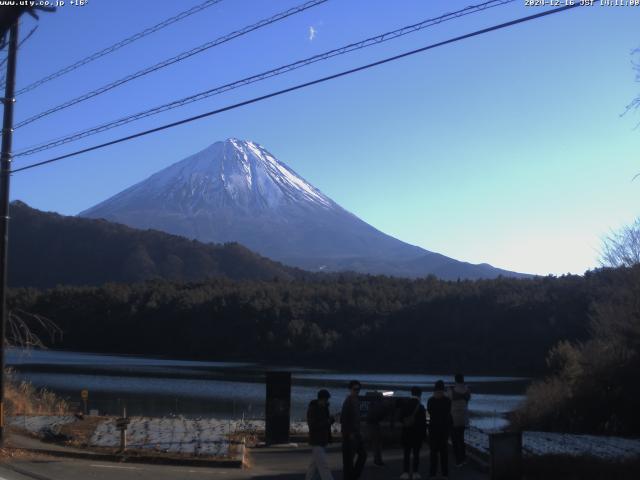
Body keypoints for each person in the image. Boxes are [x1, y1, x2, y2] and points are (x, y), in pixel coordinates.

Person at [306, 389, 335, 480]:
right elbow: (313, 425)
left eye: (327, 400)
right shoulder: (312, 409)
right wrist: (328, 421)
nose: (326, 401)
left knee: (314, 466)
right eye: (325, 399)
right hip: (316, 440)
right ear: (320, 399)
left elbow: (326, 424)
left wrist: (331, 420)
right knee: (323, 466)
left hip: (323, 440)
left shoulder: (325, 408)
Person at [341, 380, 367, 480]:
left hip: (357, 434)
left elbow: (356, 418)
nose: (357, 391)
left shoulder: (356, 400)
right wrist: (348, 433)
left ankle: (354, 476)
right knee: (348, 461)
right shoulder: (348, 401)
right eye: (355, 389)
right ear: (350, 389)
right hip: (349, 435)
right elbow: (344, 419)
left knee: (363, 455)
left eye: (358, 389)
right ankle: (350, 477)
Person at [400, 386, 427, 479]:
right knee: (416, 454)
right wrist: (424, 435)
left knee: (406, 453)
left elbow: (400, 418)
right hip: (417, 434)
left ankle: (405, 472)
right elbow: (423, 423)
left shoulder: (405, 404)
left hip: (407, 432)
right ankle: (415, 472)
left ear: (411, 393)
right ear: (420, 394)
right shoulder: (421, 407)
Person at [427, 380, 452, 479]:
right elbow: (448, 412)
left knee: (433, 452)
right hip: (444, 428)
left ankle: (433, 473)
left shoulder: (431, 400)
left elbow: (429, 411)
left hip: (433, 427)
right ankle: (444, 473)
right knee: (444, 452)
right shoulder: (447, 401)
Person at [448, 373, 471, 467]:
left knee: (454, 439)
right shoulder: (467, 390)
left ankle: (458, 460)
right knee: (461, 438)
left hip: (453, 417)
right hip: (464, 417)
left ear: (455, 380)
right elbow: (468, 399)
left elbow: (447, 398)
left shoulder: (451, 390)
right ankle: (463, 458)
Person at [366, 393, 386, 467]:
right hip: (374, 425)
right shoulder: (377, 405)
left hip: (372, 425)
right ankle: (377, 460)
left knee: (375, 443)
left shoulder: (372, 404)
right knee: (377, 444)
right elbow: (379, 416)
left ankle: (377, 460)